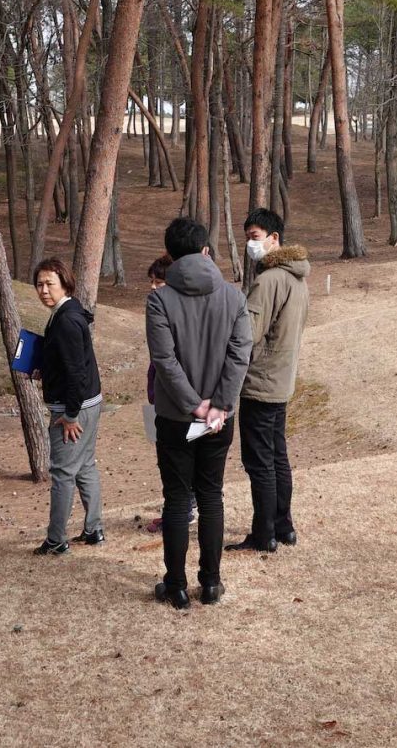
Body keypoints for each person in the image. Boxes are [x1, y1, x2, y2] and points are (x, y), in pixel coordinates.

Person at [146, 218, 252, 608]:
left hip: (176, 416)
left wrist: (195, 404)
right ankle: (211, 583)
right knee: (210, 496)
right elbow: (240, 356)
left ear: (170, 255)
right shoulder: (234, 298)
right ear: (206, 250)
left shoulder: (159, 300)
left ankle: (176, 585)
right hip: (218, 419)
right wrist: (219, 404)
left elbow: (164, 360)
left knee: (177, 499)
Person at [226, 208, 310, 554]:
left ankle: (264, 534)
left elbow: (248, 334)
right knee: (277, 457)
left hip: (261, 382)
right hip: (281, 381)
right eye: (247, 237)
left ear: (274, 238)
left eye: (255, 237)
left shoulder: (269, 280)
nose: (250, 244)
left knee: (260, 462)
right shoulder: (298, 278)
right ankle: (283, 526)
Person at [32, 257, 104, 555]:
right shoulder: (67, 313)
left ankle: (56, 540)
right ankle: (94, 530)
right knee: (85, 465)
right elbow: (69, 363)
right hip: (87, 403)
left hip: (74, 409)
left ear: (65, 284)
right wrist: (46, 369)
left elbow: (77, 374)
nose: (44, 290)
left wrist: (71, 415)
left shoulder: (67, 321)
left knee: (62, 473)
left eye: (50, 284)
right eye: (39, 284)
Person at [143, 254, 194, 534]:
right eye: (152, 281)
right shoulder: (158, 311)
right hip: (159, 397)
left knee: (175, 463)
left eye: (159, 282)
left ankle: (180, 512)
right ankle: (182, 507)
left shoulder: (175, 315)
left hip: (175, 402)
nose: (153, 287)